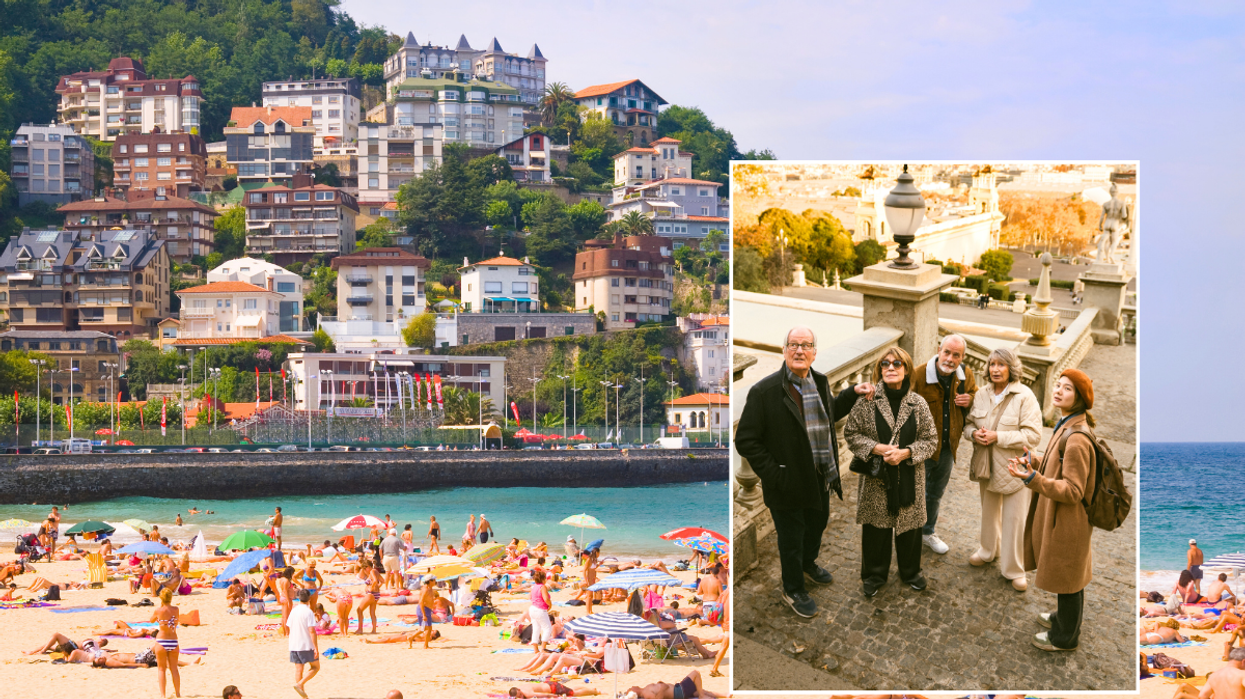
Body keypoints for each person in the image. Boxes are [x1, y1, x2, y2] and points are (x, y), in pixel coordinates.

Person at [734, 325, 873, 617]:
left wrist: (853, 392)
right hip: (786, 484)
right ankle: (792, 588)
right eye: (793, 345)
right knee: (791, 540)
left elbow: (829, 412)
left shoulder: (819, 382)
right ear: (784, 351)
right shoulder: (765, 392)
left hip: (820, 476)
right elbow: (745, 439)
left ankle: (808, 564)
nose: (799, 350)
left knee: (817, 526)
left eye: (806, 345)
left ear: (814, 352)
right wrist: (776, 475)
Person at [1007, 368, 1098, 652]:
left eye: (1067, 388)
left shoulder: (1078, 439)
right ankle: (1062, 619)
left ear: (1080, 398)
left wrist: (1033, 479)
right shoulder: (1068, 424)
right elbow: (1058, 460)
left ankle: (1065, 638)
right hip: (1062, 517)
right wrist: (1034, 458)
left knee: (1069, 577)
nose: (1058, 390)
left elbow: (1073, 490)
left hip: (1069, 519)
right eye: (1058, 385)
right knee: (1065, 573)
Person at [844, 346, 937, 597]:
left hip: (909, 478)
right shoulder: (867, 400)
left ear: (906, 369)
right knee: (876, 528)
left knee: (910, 529)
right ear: (879, 369)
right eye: (885, 364)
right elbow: (851, 433)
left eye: (897, 364)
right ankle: (874, 574)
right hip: (877, 479)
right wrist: (876, 448)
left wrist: (905, 453)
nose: (891, 368)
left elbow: (931, 440)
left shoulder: (918, 403)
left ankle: (911, 572)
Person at [963, 347, 1042, 591]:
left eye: (1001, 365)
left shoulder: (1025, 396)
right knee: (988, 514)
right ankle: (988, 551)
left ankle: (1014, 569)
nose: (995, 369)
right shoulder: (982, 394)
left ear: (1011, 368)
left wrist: (998, 436)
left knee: (1014, 521)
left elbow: (1033, 435)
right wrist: (974, 434)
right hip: (987, 465)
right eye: (992, 364)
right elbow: (967, 426)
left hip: (1015, 468)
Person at [912, 334, 977, 556]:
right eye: (947, 352)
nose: (950, 358)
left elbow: (975, 397)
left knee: (935, 492)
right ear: (939, 349)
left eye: (956, 355)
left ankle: (927, 532)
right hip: (921, 447)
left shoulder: (965, 375)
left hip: (948, 447)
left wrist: (971, 400)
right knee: (914, 492)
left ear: (962, 357)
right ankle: (909, 535)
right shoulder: (920, 374)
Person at [288, 589, 320, 699]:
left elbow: (289, 626)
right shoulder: (309, 612)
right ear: (309, 599)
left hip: (294, 644)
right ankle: (300, 684)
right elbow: (312, 631)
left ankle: (303, 696)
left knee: (298, 669)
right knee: (316, 667)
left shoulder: (294, 610)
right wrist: (315, 646)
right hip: (306, 644)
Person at [152, 586, 182, 698]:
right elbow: (176, 621)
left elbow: (151, 620)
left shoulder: (158, 610)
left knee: (161, 669)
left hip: (162, 640)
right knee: (174, 668)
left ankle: (163, 695)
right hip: (173, 641)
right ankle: (178, 693)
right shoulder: (176, 609)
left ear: (161, 598)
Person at [627, 670, 721, 699]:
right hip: (679, 691)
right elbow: (659, 697)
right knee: (695, 673)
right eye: (630, 688)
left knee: (697, 691)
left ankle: (724, 694)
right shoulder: (646, 694)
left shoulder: (645, 690)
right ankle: (701, 696)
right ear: (634, 692)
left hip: (678, 689)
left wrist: (660, 684)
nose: (632, 686)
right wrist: (663, 687)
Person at [528, 568, 554, 653]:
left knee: (536, 628)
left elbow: (530, 597)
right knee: (547, 628)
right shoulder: (543, 587)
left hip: (532, 608)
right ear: (543, 579)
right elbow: (546, 598)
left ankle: (535, 649)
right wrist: (550, 604)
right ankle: (543, 648)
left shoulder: (534, 587)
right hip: (540, 609)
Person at [355, 558, 381, 634]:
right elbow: (382, 581)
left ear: (367, 568)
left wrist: (371, 588)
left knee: (359, 610)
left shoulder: (372, 571)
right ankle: (374, 630)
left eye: (364, 569)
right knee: (372, 613)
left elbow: (375, 581)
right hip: (376, 594)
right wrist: (377, 587)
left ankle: (360, 629)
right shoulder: (376, 571)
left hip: (371, 594)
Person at [417, 575, 438, 649]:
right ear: (430, 581)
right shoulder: (425, 589)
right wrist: (424, 614)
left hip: (427, 609)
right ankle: (425, 645)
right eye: (434, 580)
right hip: (423, 609)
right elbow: (421, 602)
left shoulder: (430, 588)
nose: (435, 581)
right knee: (427, 628)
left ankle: (411, 637)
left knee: (425, 628)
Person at [507, 681, 602, 697]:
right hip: (549, 683)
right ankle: (589, 688)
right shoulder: (520, 687)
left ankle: (595, 691)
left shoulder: (527, 693)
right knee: (570, 689)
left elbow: (543, 694)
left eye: (520, 695)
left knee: (573, 693)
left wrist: (554, 696)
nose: (521, 697)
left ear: (519, 691)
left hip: (553, 689)